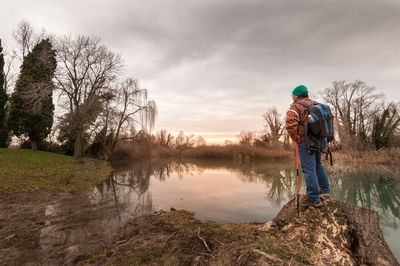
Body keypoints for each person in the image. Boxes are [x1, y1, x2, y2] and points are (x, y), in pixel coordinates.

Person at [285, 85, 330, 207]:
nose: (292, 97)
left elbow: (290, 124)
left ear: (297, 95)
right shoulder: (317, 105)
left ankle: (314, 198)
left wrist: (297, 139)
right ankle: (325, 191)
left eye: (292, 94)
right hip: (319, 141)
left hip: (306, 143)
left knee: (309, 169)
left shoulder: (295, 106)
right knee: (318, 166)